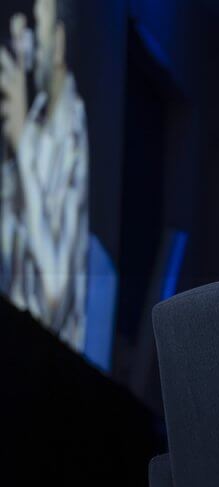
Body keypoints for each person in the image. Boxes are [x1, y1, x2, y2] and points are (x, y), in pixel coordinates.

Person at [0, 0, 88, 351]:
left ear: (60, 40)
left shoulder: (73, 132)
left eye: (39, 28)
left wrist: (22, 144)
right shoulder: (35, 116)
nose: (32, 44)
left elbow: (54, 295)